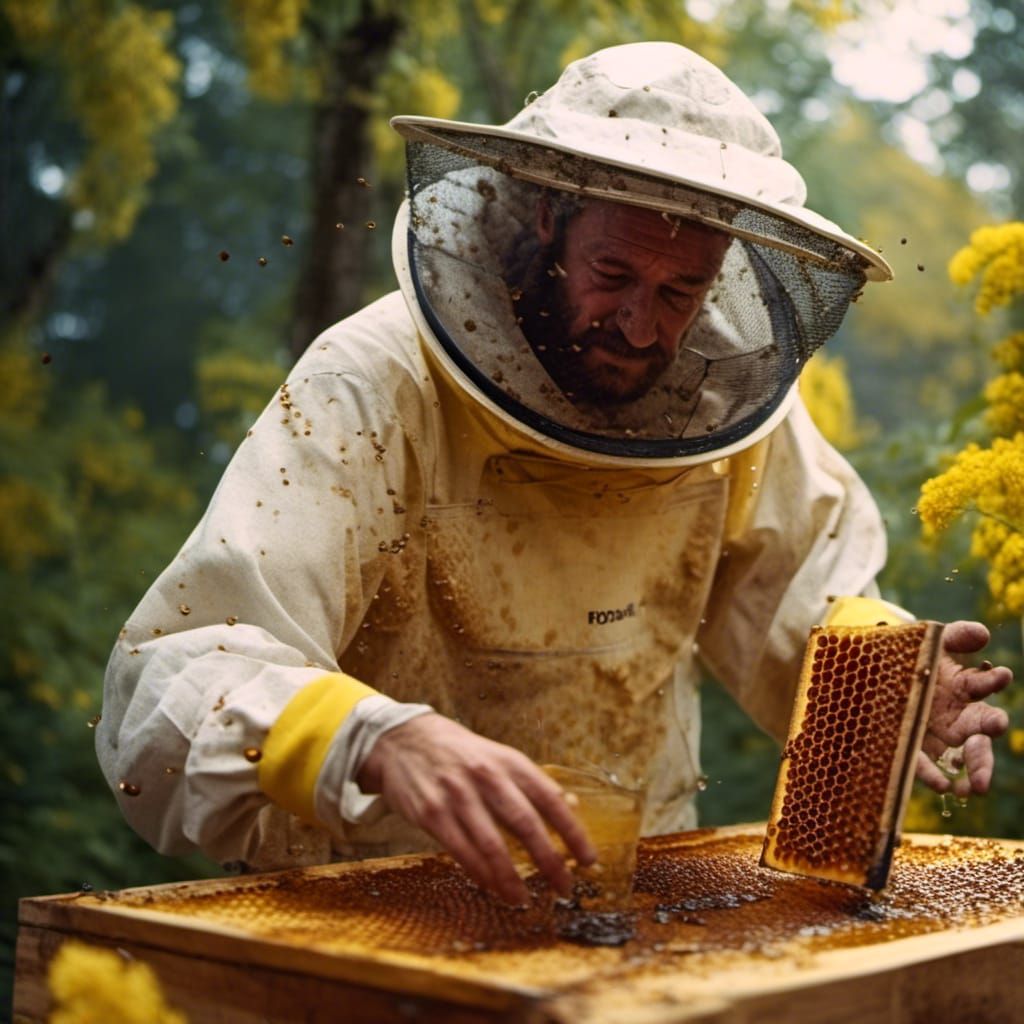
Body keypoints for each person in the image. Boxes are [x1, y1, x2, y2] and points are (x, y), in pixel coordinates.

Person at [97, 43, 1011, 906]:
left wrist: (889, 688)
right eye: (613, 272)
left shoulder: (717, 402)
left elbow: (805, 593)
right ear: (546, 214)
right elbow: (175, 680)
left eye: (681, 292)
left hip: (633, 903)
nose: (643, 328)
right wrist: (375, 739)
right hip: (366, 903)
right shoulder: (372, 383)